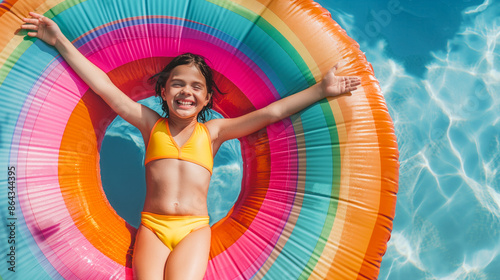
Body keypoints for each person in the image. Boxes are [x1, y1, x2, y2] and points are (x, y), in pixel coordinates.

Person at [21, 11, 361, 280]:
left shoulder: (212, 132)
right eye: (177, 84)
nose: (187, 91)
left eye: (196, 87)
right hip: (153, 226)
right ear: (164, 93)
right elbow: (106, 89)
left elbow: (271, 113)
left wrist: (322, 90)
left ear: (207, 98)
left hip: (194, 228)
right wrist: (60, 41)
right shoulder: (150, 124)